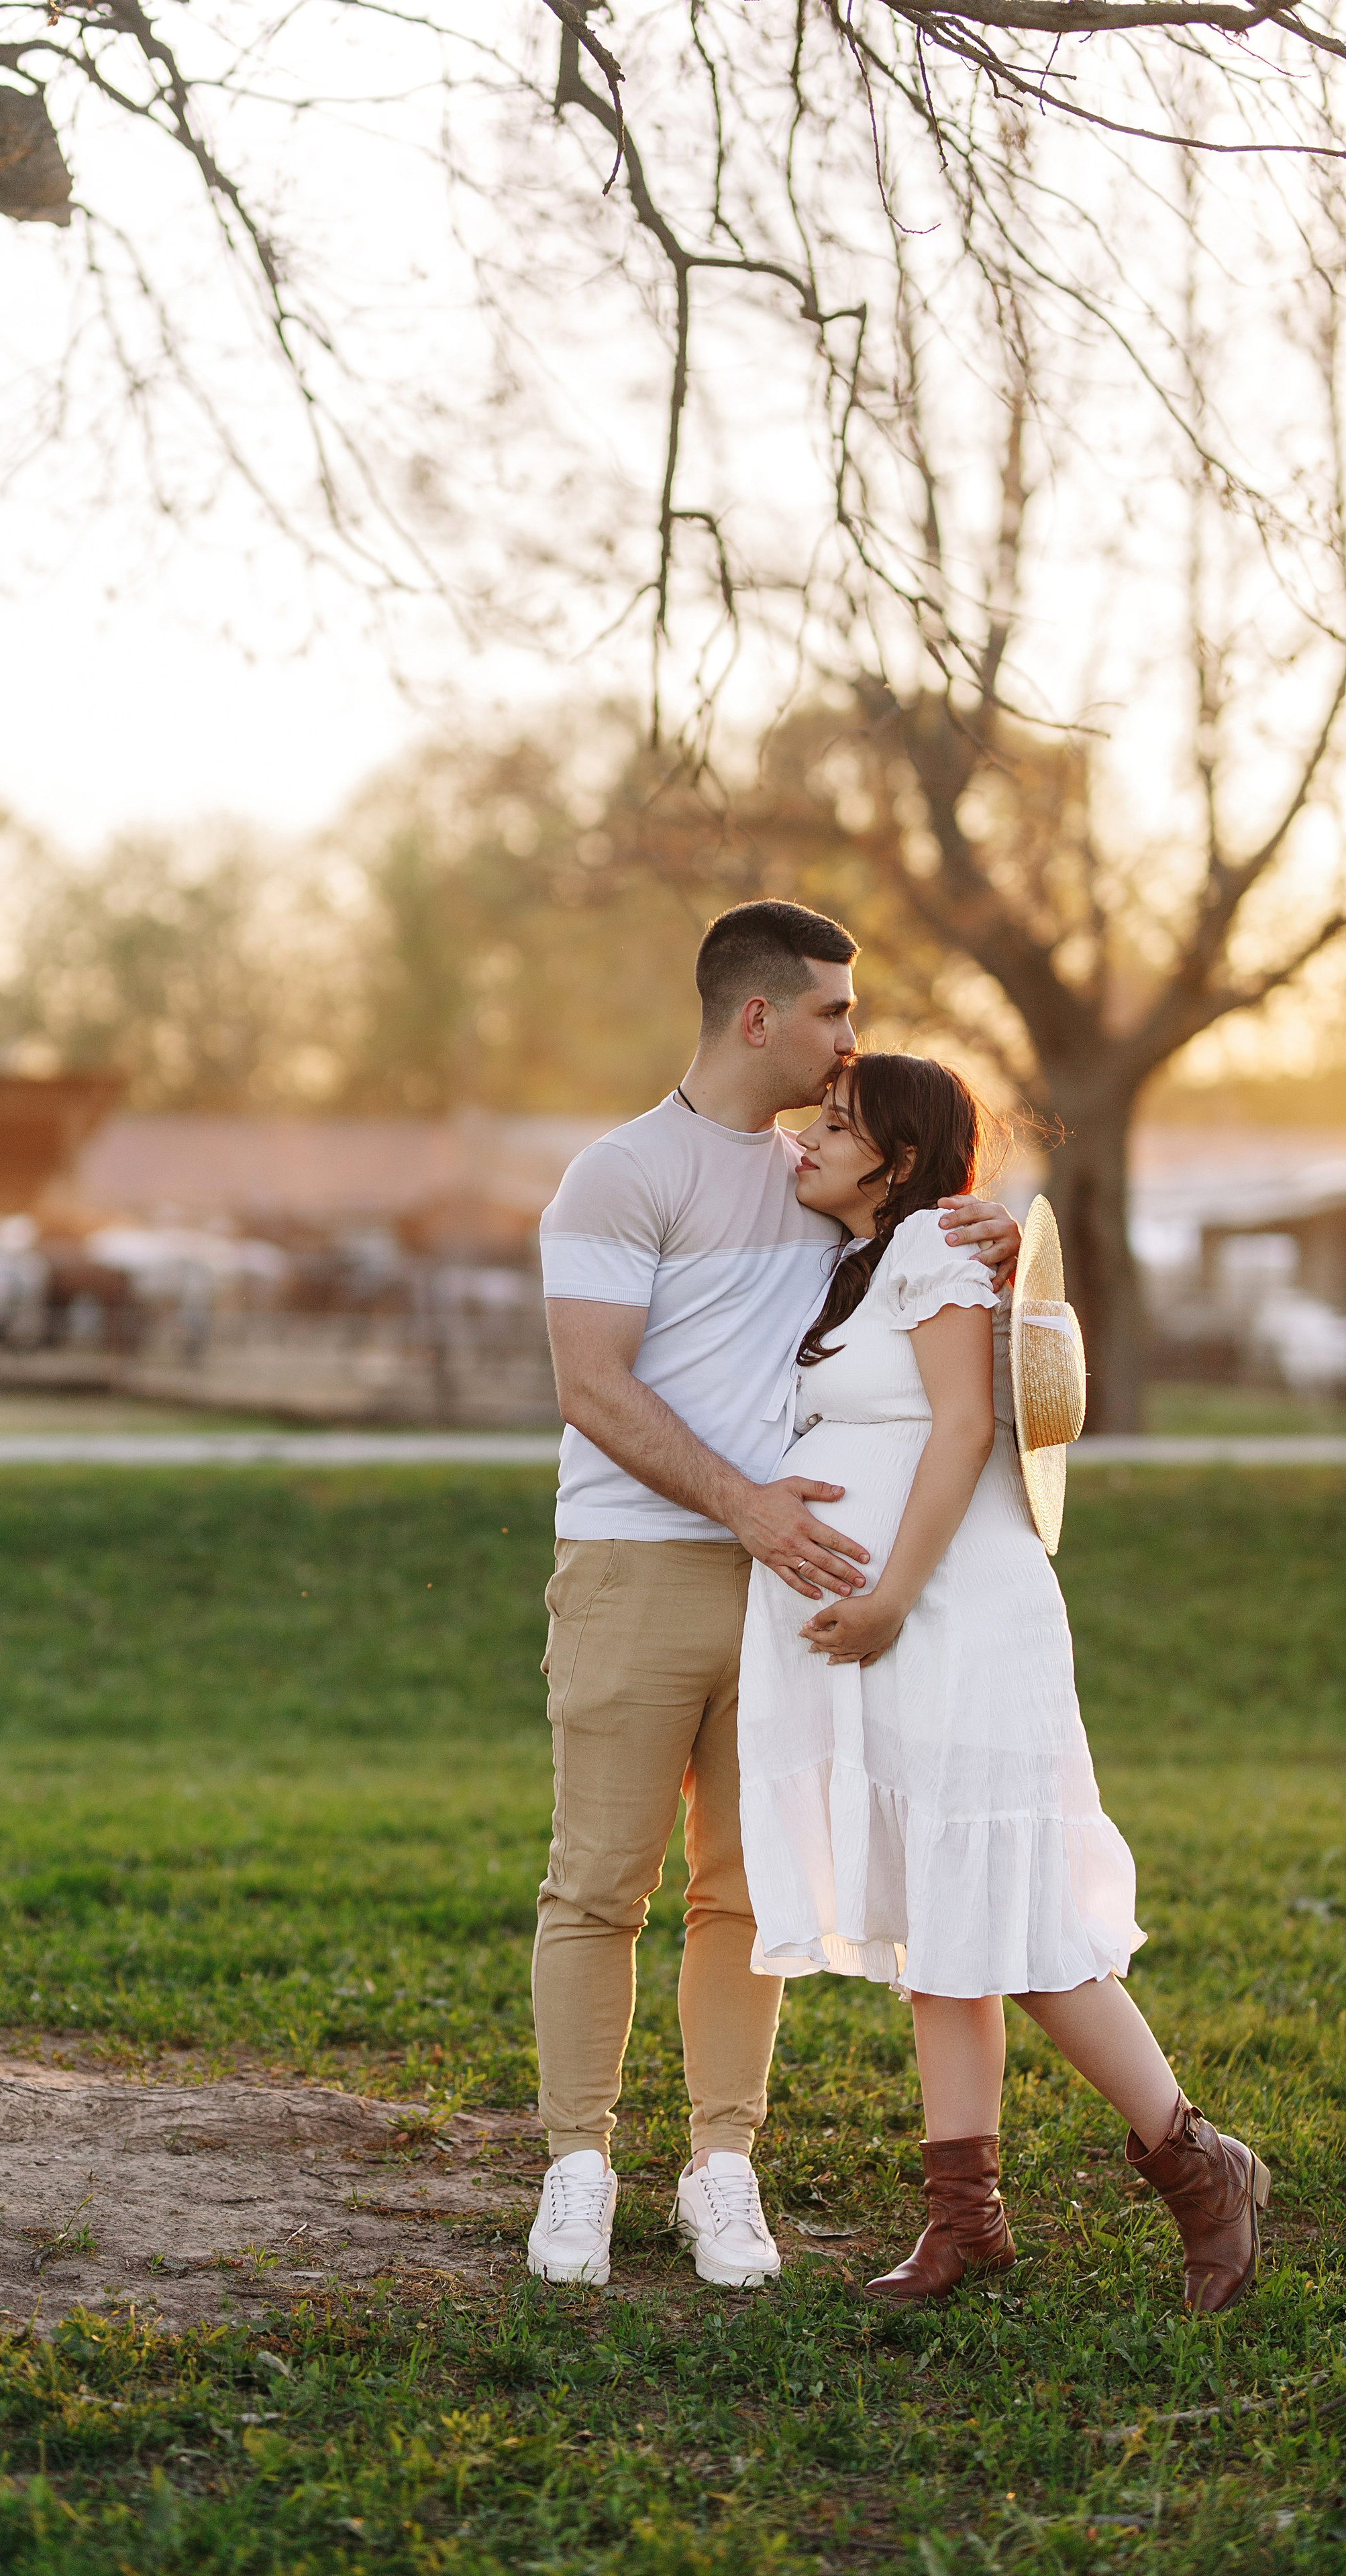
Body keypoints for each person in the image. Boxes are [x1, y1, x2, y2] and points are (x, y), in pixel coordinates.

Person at [526, 902, 1021, 2290]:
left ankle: (719, 2168)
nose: (849, 1040)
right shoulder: (617, 1176)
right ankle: (575, 2164)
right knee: (597, 1880)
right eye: (832, 1014)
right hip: (636, 1564)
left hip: (785, 1590)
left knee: (740, 1893)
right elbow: (589, 1386)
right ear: (758, 1019)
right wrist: (743, 1505)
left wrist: (985, 1226)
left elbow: (940, 1308)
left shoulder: (833, 1176)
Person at [736, 1051, 1267, 2313]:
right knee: (947, 1927)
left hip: (956, 1616)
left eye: (837, 1126)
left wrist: (886, 1601)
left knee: (1018, 1920)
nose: (805, 1141)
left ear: (902, 1162)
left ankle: (1201, 2167)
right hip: (908, 1626)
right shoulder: (869, 1262)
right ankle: (963, 2221)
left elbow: (966, 1432)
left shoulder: (931, 1252)